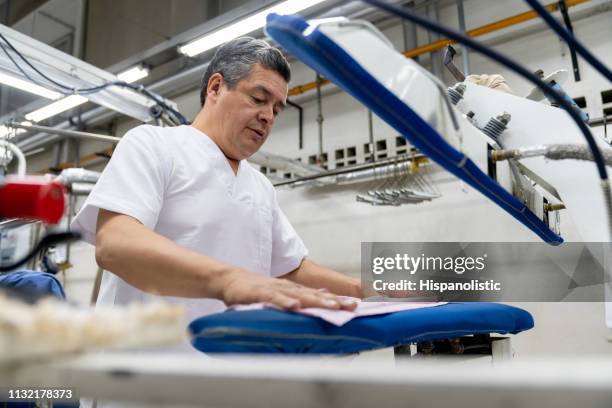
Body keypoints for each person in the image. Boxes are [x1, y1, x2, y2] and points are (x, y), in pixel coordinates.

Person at [71, 37, 362, 329]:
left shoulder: (260, 186)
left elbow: (290, 269)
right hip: (144, 362)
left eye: (276, 109)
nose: (267, 116)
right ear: (216, 87)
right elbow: (116, 243)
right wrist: (229, 281)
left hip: (231, 365)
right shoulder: (154, 145)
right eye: (258, 99)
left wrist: (364, 290)